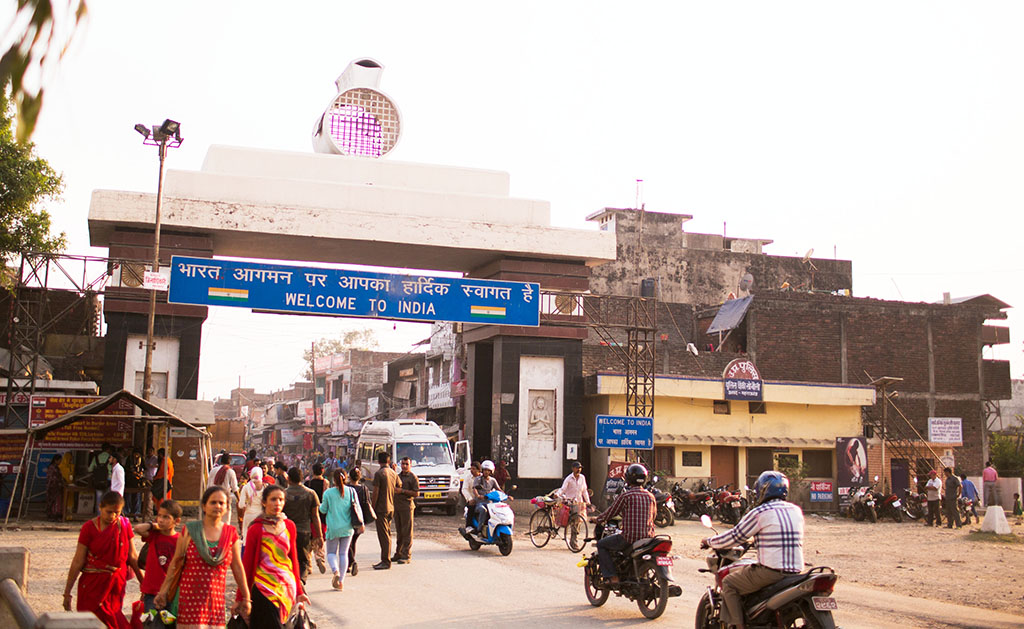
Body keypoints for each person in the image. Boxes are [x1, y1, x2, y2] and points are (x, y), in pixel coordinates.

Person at [701, 471, 805, 629]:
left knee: (729, 583)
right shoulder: (796, 510)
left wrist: (709, 541)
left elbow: (734, 537)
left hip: (771, 572)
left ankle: (738, 625)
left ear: (762, 491)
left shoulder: (760, 512)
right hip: (797, 571)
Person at [155, 487, 248, 628]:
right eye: (213, 502)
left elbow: (237, 567)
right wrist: (163, 591)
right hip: (189, 601)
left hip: (215, 603)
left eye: (221, 503)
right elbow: (175, 562)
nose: (217, 506)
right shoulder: (190, 530)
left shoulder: (231, 534)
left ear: (227, 507)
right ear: (204, 506)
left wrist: (246, 597)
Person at [62, 490, 142, 628]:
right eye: (109, 512)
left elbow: (132, 556)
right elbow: (78, 560)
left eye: (117, 512)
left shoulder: (124, 525)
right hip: (92, 584)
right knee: (90, 621)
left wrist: (144, 583)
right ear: (100, 507)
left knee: (114, 617)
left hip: (115, 583)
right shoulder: (88, 528)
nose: (113, 516)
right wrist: (67, 592)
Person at [239, 484, 309, 628]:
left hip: (286, 588)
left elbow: (293, 560)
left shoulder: (289, 526)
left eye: (281, 500)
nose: (277, 503)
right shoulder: (256, 528)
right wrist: (241, 597)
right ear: (264, 502)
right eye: (273, 499)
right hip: (263, 587)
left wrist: (299, 591)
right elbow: (246, 564)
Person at [593, 463, 655, 586]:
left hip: (629, 537)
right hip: (648, 538)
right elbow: (653, 517)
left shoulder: (626, 495)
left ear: (628, 479)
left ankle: (612, 576)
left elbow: (610, 513)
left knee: (601, 545)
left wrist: (597, 519)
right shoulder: (651, 496)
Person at [134, 499, 182, 617]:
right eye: (159, 516)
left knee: (170, 623)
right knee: (153, 623)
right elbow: (138, 529)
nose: (161, 520)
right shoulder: (154, 535)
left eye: (166, 517)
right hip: (152, 592)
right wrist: (154, 525)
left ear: (177, 521)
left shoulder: (180, 540)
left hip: (171, 592)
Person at [320, 468, 365, 590]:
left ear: (333, 479)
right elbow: (358, 508)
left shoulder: (328, 493)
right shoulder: (351, 491)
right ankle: (341, 581)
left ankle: (335, 571)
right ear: (346, 478)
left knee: (331, 553)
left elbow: (323, 510)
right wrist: (362, 523)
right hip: (348, 528)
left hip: (333, 528)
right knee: (343, 553)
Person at [283, 466, 323, 584]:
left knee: (287, 559)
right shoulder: (311, 494)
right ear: (302, 478)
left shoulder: (283, 494)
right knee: (303, 561)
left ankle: (290, 582)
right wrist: (319, 535)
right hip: (304, 532)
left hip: (286, 532)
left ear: (288, 479)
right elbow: (315, 517)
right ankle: (301, 580)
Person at [371, 451, 400, 570]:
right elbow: (400, 485)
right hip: (391, 507)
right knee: (387, 534)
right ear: (388, 461)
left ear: (378, 461)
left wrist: (372, 508)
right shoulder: (393, 473)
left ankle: (385, 561)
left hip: (381, 508)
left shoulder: (379, 474)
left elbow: (376, 492)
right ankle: (386, 559)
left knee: (383, 536)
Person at [345, 467, 374, 576]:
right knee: (353, 541)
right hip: (359, 518)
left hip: (348, 517)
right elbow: (367, 503)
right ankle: (350, 563)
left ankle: (351, 562)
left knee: (348, 541)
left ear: (349, 477)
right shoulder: (364, 489)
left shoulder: (346, 488)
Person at [557, 461, 591, 548]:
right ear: (573, 469)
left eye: (580, 468)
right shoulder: (569, 479)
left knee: (579, 521)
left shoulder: (582, 478)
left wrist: (588, 501)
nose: (578, 470)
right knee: (575, 521)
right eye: (577, 468)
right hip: (570, 503)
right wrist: (557, 494)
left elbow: (584, 491)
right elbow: (563, 489)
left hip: (579, 503)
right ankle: (574, 542)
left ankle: (574, 537)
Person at [393, 456, 419, 564]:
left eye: (406, 464)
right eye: (403, 464)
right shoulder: (398, 476)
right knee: (399, 532)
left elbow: (416, 493)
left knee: (407, 532)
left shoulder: (413, 478)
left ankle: (406, 555)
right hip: (397, 507)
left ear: (410, 465)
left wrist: (402, 491)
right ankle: (398, 553)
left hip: (407, 507)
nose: (404, 466)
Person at [305, 462, 329, 574]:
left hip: (309, 516)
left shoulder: (308, 483)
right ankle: (319, 557)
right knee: (319, 539)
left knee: (308, 543)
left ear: (312, 471)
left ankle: (308, 566)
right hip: (322, 516)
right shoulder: (326, 483)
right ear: (322, 471)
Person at [471, 460, 502, 534]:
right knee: (483, 510)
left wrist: (507, 496)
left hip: (490, 503)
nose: (486, 472)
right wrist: (478, 496)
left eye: (488, 470)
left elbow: (499, 489)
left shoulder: (493, 480)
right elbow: (474, 489)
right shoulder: (478, 479)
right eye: (485, 470)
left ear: (491, 471)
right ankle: (479, 529)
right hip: (480, 503)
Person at [210, 453, 240, 525]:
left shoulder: (213, 471)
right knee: (225, 522)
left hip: (212, 497)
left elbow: (209, 486)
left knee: (213, 521)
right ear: (229, 462)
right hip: (224, 499)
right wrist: (239, 500)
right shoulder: (230, 471)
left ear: (221, 461)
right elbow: (235, 488)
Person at [238, 466, 266, 536]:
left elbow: (241, 505)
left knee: (247, 537)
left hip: (249, 515)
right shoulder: (265, 487)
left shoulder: (246, 487)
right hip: (261, 516)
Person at [459, 462, 481, 533]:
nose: (472, 470)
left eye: (474, 469)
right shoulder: (468, 478)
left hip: (483, 499)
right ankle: (468, 526)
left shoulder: (483, 478)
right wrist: (470, 499)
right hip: (473, 500)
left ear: (479, 470)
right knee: (471, 508)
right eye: (471, 469)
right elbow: (464, 489)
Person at [125, 449, 146, 519]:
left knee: (137, 497)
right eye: (135, 454)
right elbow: (127, 468)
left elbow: (145, 468)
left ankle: (136, 514)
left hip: (138, 482)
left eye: (138, 454)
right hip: (129, 481)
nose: (136, 456)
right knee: (128, 497)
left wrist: (141, 473)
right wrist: (134, 473)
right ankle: (127, 513)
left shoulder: (141, 460)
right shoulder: (129, 459)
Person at [46, 455, 66, 521]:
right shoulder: (52, 468)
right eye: (59, 460)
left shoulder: (56, 468)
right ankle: (53, 516)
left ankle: (55, 516)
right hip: (53, 488)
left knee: (56, 502)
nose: (60, 462)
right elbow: (53, 478)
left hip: (56, 487)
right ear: (56, 460)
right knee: (54, 502)